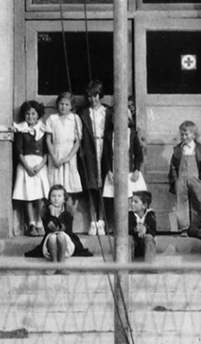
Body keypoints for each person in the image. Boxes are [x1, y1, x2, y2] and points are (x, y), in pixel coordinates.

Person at [101, 95, 147, 230]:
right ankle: (117, 227)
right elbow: (106, 155)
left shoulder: (131, 134)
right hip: (115, 172)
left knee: (130, 200)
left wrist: (137, 169)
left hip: (129, 172)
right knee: (117, 200)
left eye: (124, 119)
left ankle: (130, 226)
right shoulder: (110, 135)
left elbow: (138, 154)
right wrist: (109, 170)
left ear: (128, 120)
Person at [77, 80, 113, 235]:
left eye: (96, 96)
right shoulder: (83, 113)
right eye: (90, 96)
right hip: (90, 149)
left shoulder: (108, 112)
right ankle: (92, 221)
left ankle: (102, 221)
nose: (93, 99)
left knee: (105, 186)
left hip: (105, 149)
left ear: (101, 96)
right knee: (92, 186)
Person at [24, 185, 91, 263]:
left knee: (60, 235)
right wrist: (52, 213)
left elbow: (60, 228)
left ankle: (62, 262)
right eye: (53, 196)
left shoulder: (68, 211)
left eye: (59, 196)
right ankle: (54, 263)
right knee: (52, 237)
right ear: (50, 199)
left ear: (63, 199)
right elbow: (51, 228)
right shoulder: (46, 211)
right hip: (51, 243)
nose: (56, 198)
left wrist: (55, 216)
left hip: (66, 241)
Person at [12, 100, 51, 236]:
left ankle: (40, 223)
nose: (30, 117)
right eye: (27, 114)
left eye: (33, 113)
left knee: (39, 196)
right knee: (27, 195)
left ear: (38, 114)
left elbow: (47, 151)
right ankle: (31, 224)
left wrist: (40, 166)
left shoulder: (43, 129)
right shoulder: (21, 129)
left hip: (39, 165)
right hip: (25, 165)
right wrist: (27, 167)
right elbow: (18, 151)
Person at [168, 120, 201, 236]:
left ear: (194, 135)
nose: (184, 137)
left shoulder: (199, 148)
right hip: (181, 179)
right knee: (181, 203)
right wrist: (175, 181)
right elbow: (173, 166)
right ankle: (184, 228)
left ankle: (197, 227)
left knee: (199, 203)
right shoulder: (178, 149)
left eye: (187, 134)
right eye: (182, 134)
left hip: (196, 179)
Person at [45, 92, 83, 213]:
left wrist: (68, 158)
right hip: (56, 154)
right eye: (61, 104)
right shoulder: (52, 119)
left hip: (69, 155)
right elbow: (48, 140)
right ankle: (55, 217)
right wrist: (54, 157)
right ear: (57, 105)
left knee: (69, 187)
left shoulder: (75, 119)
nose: (64, 107)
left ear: (71, 106)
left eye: (67, 104)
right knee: (55, 187)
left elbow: (77, 141)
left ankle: (68, 218)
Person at [128, 190, 157, 263]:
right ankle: (126, 266)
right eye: (131, 201)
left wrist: (145, 229)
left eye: (135, 202)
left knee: (149, 237)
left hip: (144, 247)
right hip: (132, 247)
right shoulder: (129, 216)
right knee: (128, 238)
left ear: (144, 205)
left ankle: (149, 267)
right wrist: (135, 230)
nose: (132, 204)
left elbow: (153, 231)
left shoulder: (150, 215)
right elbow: (126, 230)